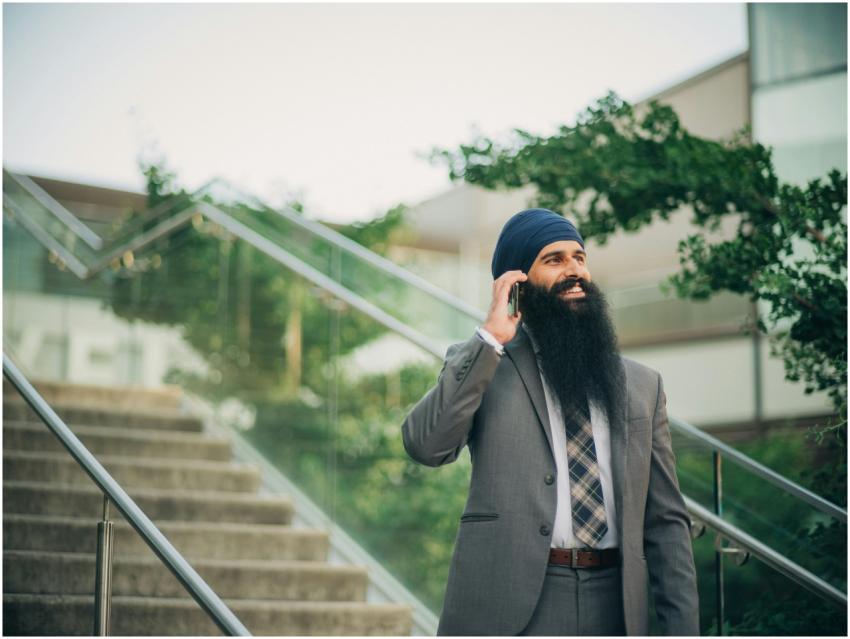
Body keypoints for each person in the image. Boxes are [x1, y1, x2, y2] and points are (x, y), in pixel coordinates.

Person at [402, 208, 699, 636]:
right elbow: (425, 445)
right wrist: (490, 339)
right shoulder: (484, 364)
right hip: (514, 603)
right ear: (517, 280)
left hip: (616, 606)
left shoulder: (642, 385)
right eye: (554, 260)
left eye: (579, 257)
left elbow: (667, 523)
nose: (574, 270)